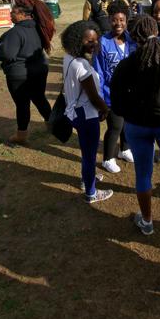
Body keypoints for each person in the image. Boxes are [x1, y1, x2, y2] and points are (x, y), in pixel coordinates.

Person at [111, 14, 160, 232]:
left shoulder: (126, 65)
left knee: (143, 173)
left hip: (137, 126)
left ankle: (147, 222)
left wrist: (130, 112)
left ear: (132, 36)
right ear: (156, 30)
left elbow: (116, 104)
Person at [60, 20, 112, 203]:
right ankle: (91, 192)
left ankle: (86, 178)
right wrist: (105, 109)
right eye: (89, 41)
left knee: (86, 151)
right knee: (90, 155)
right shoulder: (82, 66)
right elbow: (94, 97)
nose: (94, 44)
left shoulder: (68, 58)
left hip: (75, 112)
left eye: (96, 40)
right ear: (76, 40)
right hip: (86, 115)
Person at [0, 0, 53, 145]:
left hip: (19, 74)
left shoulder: (15, 32)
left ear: (22, 14)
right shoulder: (39, 27)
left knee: (22, 104)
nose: (10, 14)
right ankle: (52, 125)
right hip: (39, 70)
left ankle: (21, 135)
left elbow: (7, 54)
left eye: (13, 12)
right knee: (40, 98)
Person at [92, 1, 135, 174]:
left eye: (122, 20)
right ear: (109, 20)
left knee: (128, 123)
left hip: (130, 93)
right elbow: (98, 71)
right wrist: (101, 97)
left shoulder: (132, 40)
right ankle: (108, 159)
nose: (119, 24)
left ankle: (125, 149)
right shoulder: (103, 42)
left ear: (126, 20)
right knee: (116, 126)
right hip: (111, 94)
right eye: (115, 20)